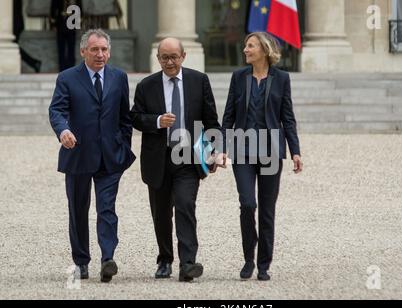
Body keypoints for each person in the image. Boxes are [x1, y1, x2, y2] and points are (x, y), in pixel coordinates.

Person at [131, 37, 223, 282]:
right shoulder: (146, 86)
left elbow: (212, 122)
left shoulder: (199, 81)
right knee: (161, 213)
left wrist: (214, 152)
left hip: (188, 158)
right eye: (164, 57)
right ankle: (165, 259)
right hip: (157, 158)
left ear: (183, 56)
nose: (169, 62)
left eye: (173, 57)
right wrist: (157, 121)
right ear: (158, 58)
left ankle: (188, 263)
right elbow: (136, 118)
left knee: (185, 205)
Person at [49, 29, 135, 283]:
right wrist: (63, 130)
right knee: (78, 209)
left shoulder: (119, 77)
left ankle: (107, 258)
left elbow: (124, 116)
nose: (100, 54)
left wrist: (123, 144)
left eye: (104, 50)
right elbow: (57, 110)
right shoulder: (67, 78)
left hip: (110, 156)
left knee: (107, 208)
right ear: (83, 51)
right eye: (95, 49)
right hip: (77, 154)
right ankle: (81, 261)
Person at [221, 32, 303, 281]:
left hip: (271, 152)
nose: (245, 50)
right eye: (245, 45)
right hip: (243, 151)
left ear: (265, 50)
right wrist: (222, 148)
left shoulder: (281, 78)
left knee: (267, 210)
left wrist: (295, 151)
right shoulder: (239, 77)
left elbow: (287, 117)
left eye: (250, 46)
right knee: (248, 204)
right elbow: (229, 116)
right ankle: (248, 259)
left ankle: (263, 264)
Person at [51, 0, 82, 71]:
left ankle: (71, 69)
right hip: (61, 24)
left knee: (71, 48)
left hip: (72, 24)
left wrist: (78, 23)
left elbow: (79, 8)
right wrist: (54, 24)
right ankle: (62, 69)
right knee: (61, 49)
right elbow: (53, 8)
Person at [13, 0, 41, 73]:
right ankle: (34, 63)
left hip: (15, 25)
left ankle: (34, 63)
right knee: (12, 47)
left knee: (11, 47)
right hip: (16, 24)